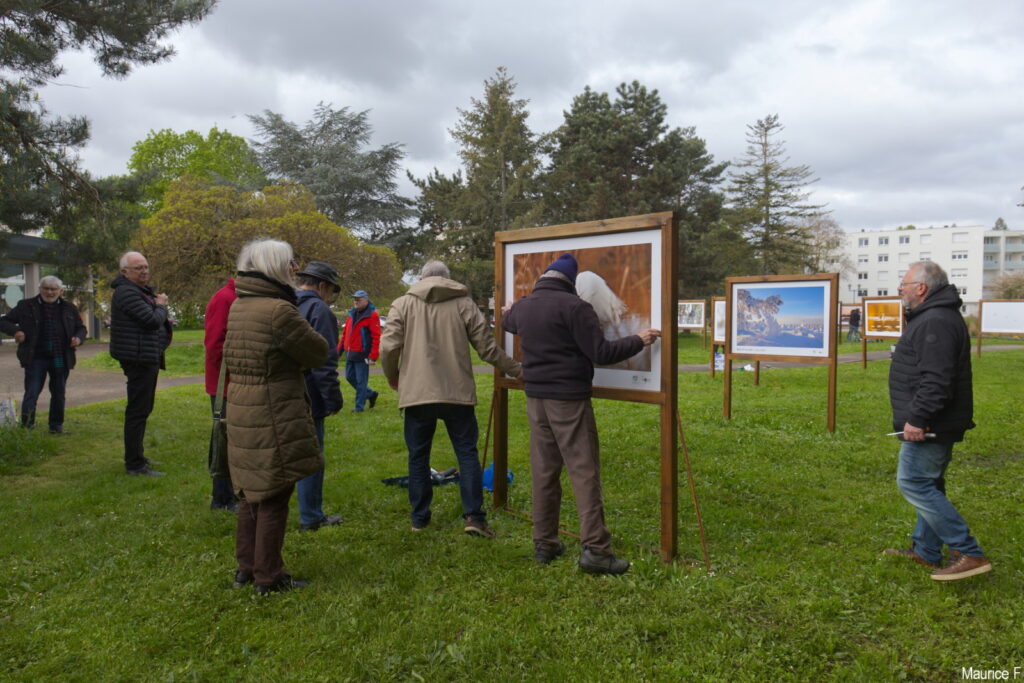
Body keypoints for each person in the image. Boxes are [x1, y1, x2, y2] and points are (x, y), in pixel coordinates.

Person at [502, 253, 661, 575]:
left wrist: (511, 307)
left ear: (545, 278)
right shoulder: (577, 308)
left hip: (536, 400)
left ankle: (545, 543)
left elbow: (507, 319)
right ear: (572, 282)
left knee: (545, 472)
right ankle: (597, 552)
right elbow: (602, 353)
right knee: (584, 473)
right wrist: (639, 340)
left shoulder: (524, 307)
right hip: (568, 400)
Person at [380, 260, 521, 537]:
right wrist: (518, 370)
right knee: (467, 454)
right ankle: (474, 518)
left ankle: (419, 518)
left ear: (421, 278)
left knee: (418, 456)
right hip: (456, 393)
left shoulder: (402, 304)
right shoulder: (464, 304)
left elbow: (388, 347)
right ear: (448, 278)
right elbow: (487, 349)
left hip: (417, 393)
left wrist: (392, 375)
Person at [223, 239, 328, 594]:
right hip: (272, 407)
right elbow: (317, 351)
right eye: (288, 263)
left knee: (250, 492)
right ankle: (269, 576)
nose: (293, 269)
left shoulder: (240, 305)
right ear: (273, 267)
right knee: (274, 492)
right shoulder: (278, 311)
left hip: (242, 405)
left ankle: (246, 567)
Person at [884, 261, 991, 581]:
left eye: (903, 284)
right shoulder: (934, 317)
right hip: (934, 421)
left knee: (914, 481)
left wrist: (917, 419)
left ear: (921, 288)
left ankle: (968, 551)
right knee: (929, 482)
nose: (899, 290)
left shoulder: (935, 321)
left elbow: (936, 380)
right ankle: (927, 550)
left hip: (930, 424)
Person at [109, 251, 172, 476]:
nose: (144, 271)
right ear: (125, 272)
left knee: (142, 409)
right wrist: (162, 305)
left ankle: (138, 457)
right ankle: (134, 464)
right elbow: (152, 320)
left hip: (145, 356)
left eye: (146, 267)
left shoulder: (137, 291)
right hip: (138, 359)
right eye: (138, 268)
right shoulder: (126, 292)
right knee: (138, 411)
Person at [294, 261, 345, 531]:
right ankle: (311, 516)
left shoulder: (284, 303)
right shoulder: (318, 309)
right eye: (331, 290)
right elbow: (325, 360)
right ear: (322, 286)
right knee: (312, 456)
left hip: (282, 390)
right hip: (310, 393)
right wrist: (332, 398)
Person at [0, 276, 86, 433]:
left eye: (53, 289)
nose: (50, 292)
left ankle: (56, 426)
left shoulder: (69, 308)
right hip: (35, 358)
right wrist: (16, 331)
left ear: (61, 291)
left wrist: (78, 338)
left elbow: (81, 328)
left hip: (60, 357)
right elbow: (4, 321)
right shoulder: (26, 305)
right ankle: (26, 428)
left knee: (59, 392)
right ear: (40, 289)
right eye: (46, 288)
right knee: (32, 392)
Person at [203, 261, 243, 512]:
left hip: (235, 383)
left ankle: (231, 495)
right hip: (224, 383)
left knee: (234, 440)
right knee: (223, 439)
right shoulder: (224, 298)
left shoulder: (239, 297)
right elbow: (215, 344)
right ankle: (222, 498)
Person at [340, 289, 381, 412]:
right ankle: (370, 394)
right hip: (350, 353)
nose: (356, 301)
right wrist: (338, 351)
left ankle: (359, 407)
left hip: (363, 355)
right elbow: (345, 334)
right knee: (349, 377)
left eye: (359, 299)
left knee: (361, 381)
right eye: (355, 299)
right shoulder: (351, 315)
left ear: (366, 300)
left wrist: (373, 356)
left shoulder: (372, 315)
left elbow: (376, 337)